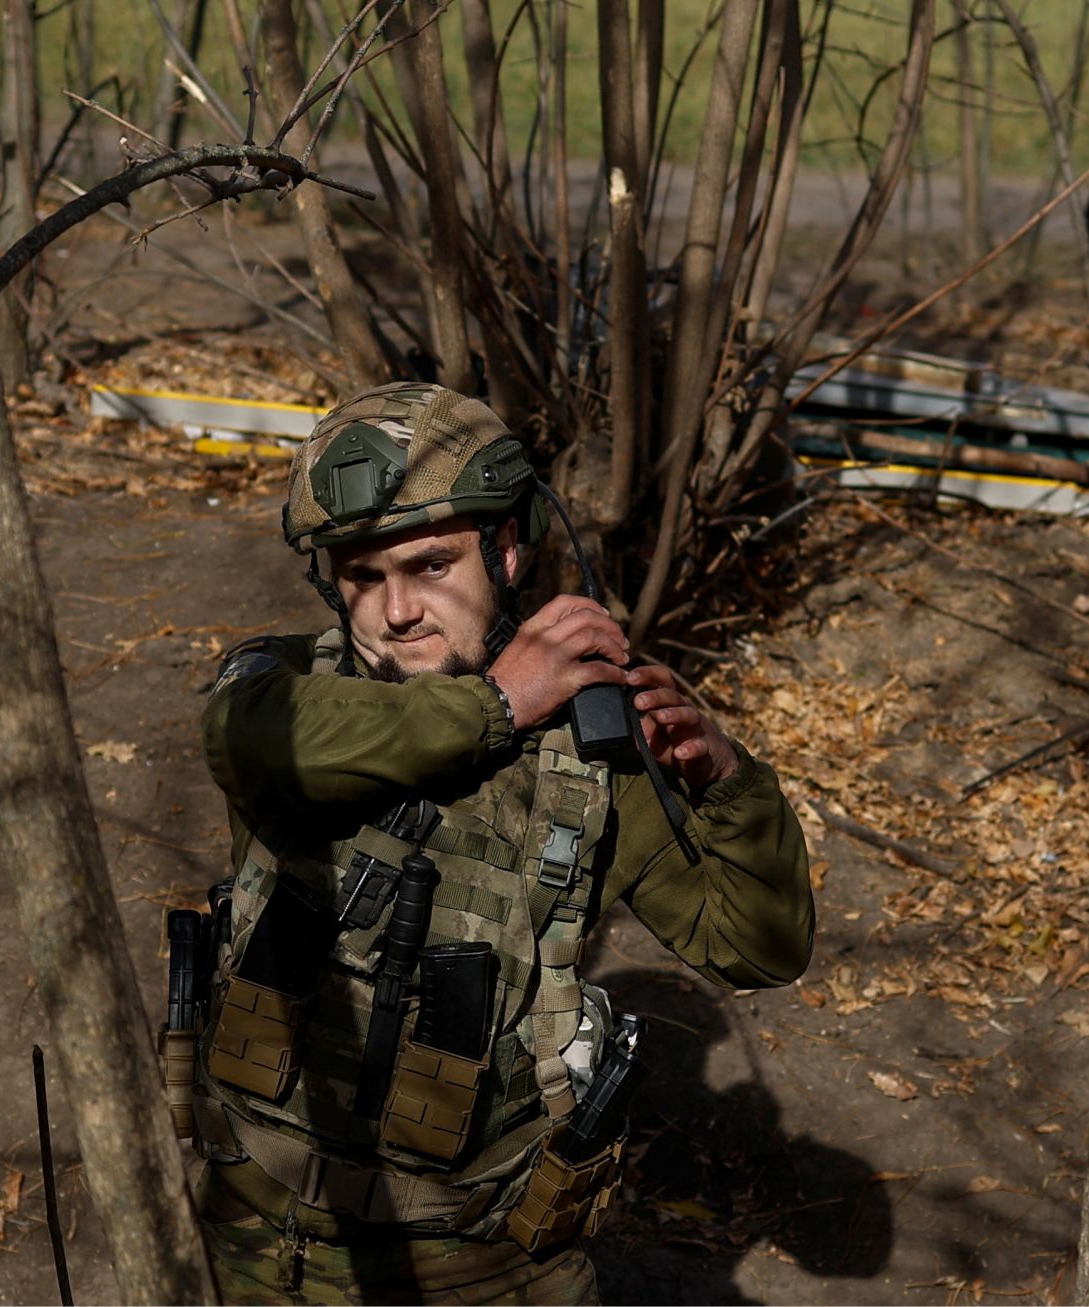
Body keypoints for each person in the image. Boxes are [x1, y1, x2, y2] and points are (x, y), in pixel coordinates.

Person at [183, 382, 814, 1305]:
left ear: (507, 547)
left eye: (432, 565)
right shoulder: (284, 693)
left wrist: (728, 783)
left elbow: (758, 945)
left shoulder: (591, 751)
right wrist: (499, 702)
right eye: (363, 577)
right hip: (260, 1245)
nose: (398, 610)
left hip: (486, 1270)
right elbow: (241, 738)